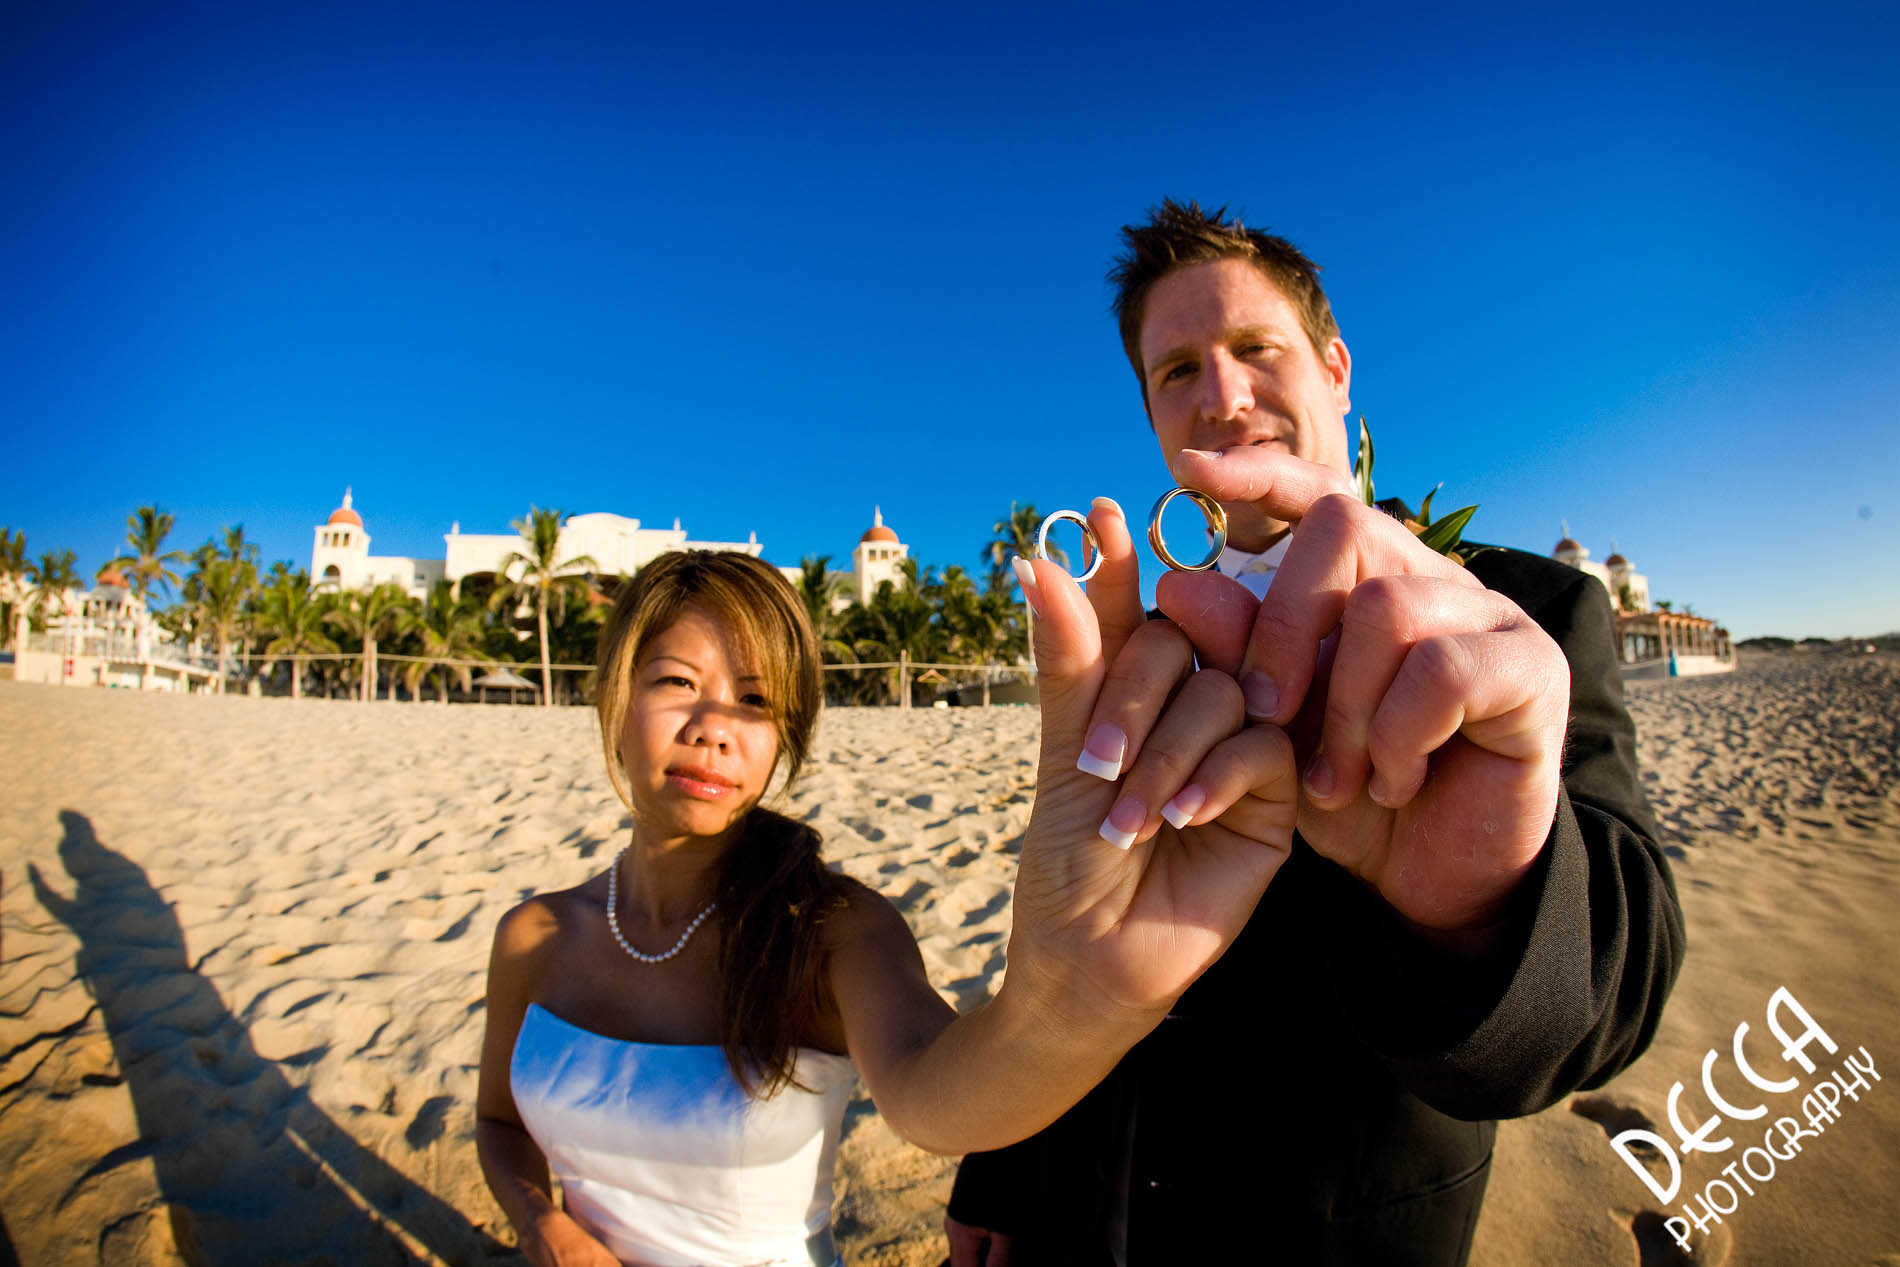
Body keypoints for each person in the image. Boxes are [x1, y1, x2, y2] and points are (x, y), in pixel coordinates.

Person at [945, 201, 1687, 1265]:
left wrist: (1476, 899)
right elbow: (1068, 937)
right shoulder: (1138, 645)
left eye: (1256, 348)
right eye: (1178, 371)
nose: (1223, 395)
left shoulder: (1529, 615)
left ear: (1336, 369)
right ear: (1152, 415)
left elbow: (1614, 995)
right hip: (1097, 1210)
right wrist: (1004, 1157)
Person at [475, 548, 1305, 1267]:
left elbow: (936, 1099)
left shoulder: (826, 932)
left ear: (785, 737)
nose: (715, 727)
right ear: (615, 699)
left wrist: (1084, 1001)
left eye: (756, 701)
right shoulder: (534, 936)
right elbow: (498, 1123)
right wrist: (541, 1222)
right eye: (677, 682)